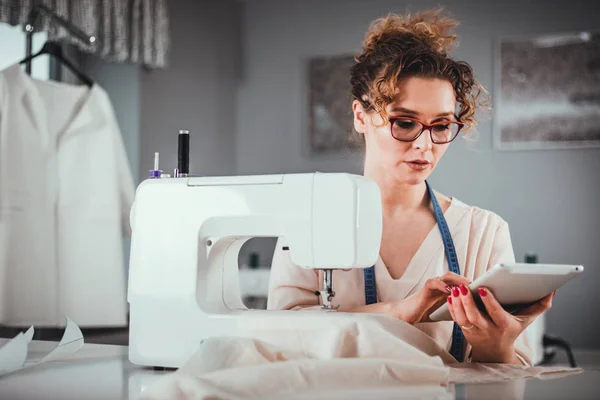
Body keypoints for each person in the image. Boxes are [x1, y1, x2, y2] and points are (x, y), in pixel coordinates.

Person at [267, 9, 553, 365]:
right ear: (361, 116)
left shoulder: (485, 232)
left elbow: (515, 373)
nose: (425, 144)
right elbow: (279, 341)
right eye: (405, 122)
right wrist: (401, 311)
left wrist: (496, 347)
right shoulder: (308, 223)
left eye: (441, 125)